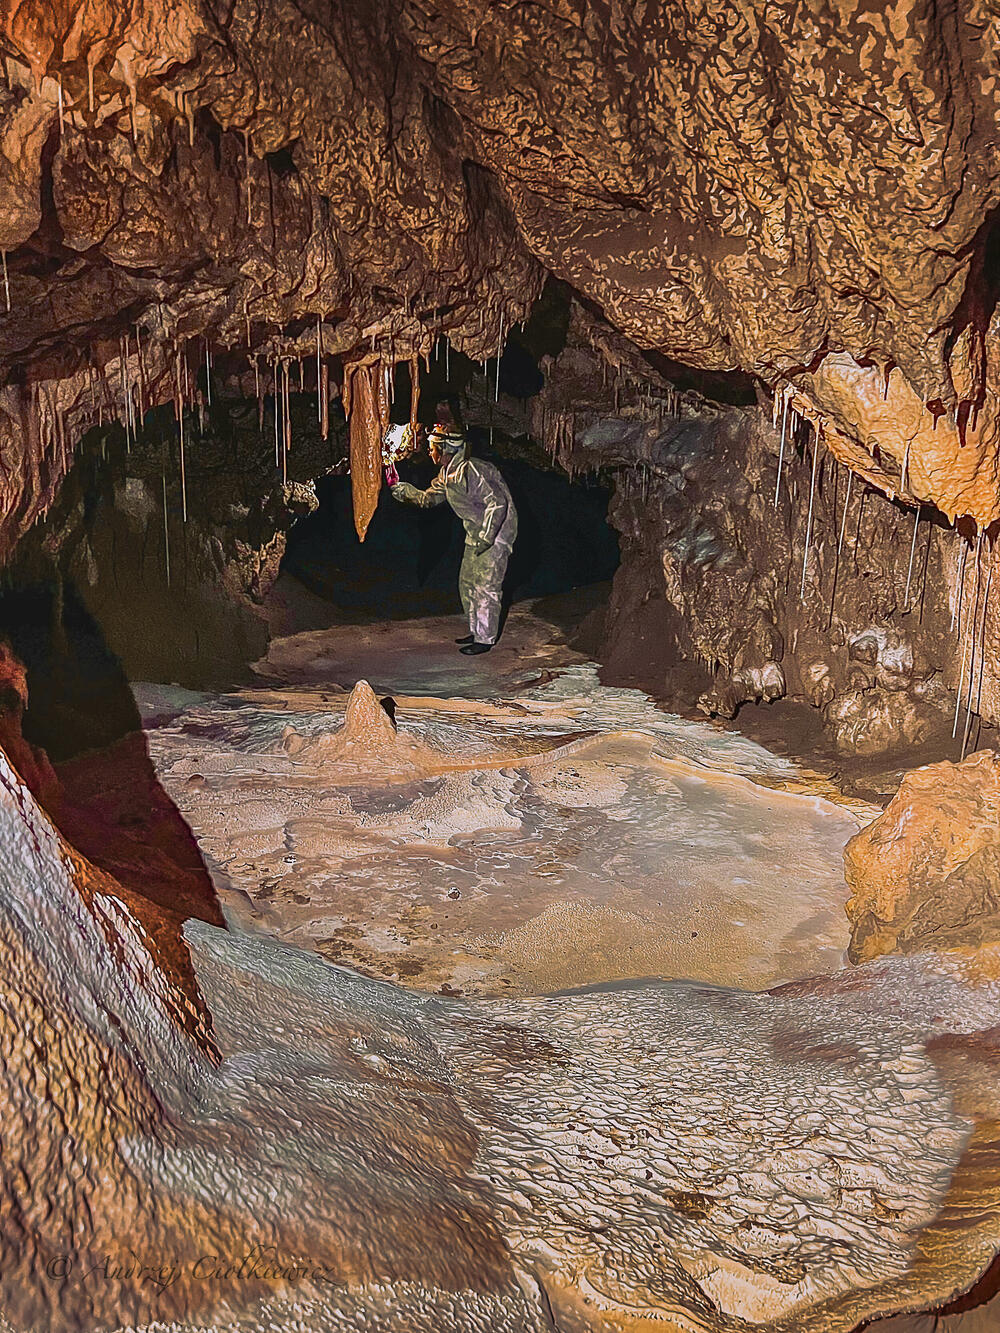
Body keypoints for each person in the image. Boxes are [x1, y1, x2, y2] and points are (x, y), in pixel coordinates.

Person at [387, 401, 517, 654]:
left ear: (446, 447)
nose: (430, 451)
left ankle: (485, 639)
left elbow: (498, 503)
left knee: (486, 585)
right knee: (466, 582)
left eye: (433, 446)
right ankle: (476, 630)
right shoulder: (448, 474)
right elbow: (428, 498)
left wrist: (487, 538)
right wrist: (398, 488)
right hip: (477, 532)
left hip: (497, 533)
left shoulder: (472, 470)